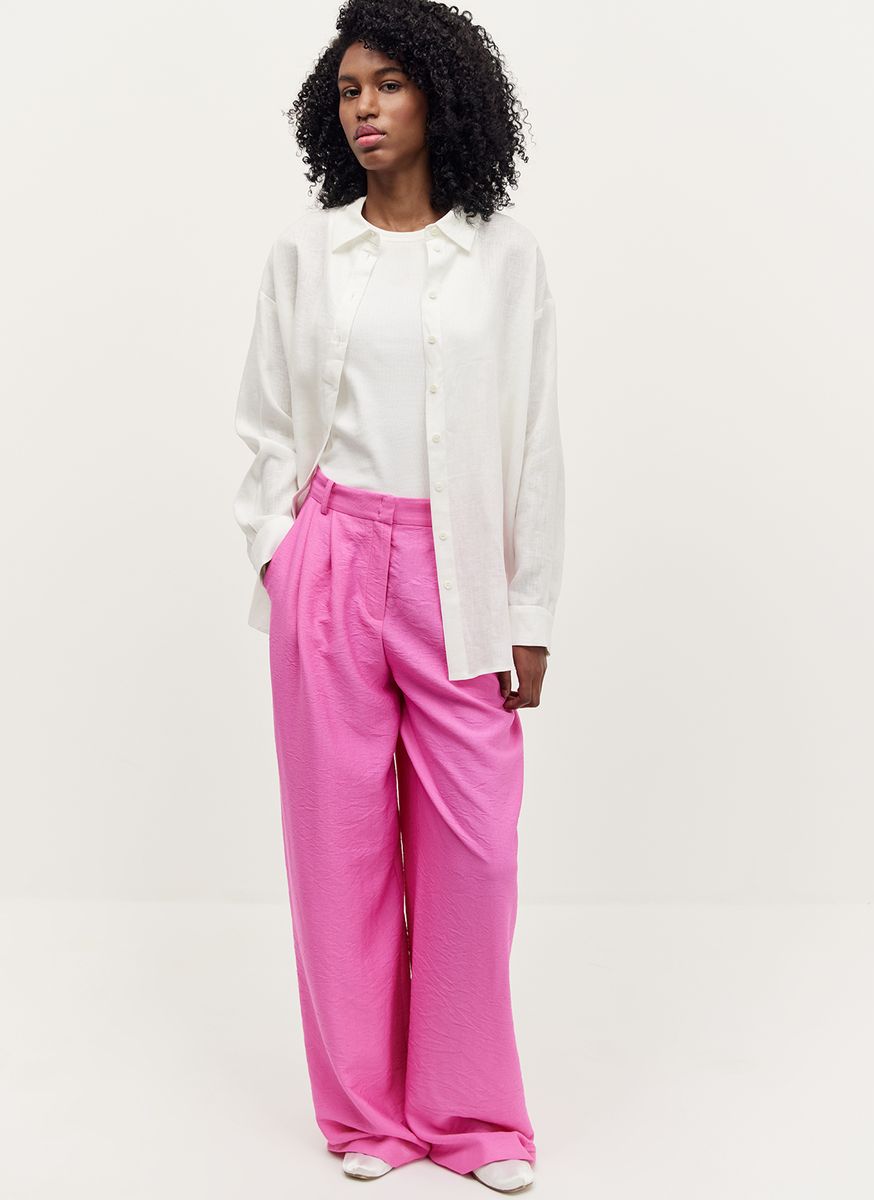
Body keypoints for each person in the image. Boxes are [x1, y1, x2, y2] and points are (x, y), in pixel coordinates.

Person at [232, 0, 565, 1192]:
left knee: (476, 852)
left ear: (441, 95)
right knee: (341, 852)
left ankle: (473, 1120)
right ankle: (368, 1116)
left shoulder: (503, 255)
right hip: (331, 560)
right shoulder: (308, 253)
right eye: (347, 91)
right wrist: (279, 553)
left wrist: (529, 614)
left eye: (387, 85)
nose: (364, 109)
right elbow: (266, 419)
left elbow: (532, 441)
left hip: (458, 572)